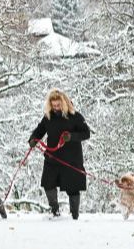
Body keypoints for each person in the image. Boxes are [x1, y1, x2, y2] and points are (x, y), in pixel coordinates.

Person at [28, 89, 91, 220]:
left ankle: (75, 215)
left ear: (64, 103)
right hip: (52, 158)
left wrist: (71, 136)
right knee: (48, 184)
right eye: (53, 105)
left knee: (73, 187)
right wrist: (33, 139)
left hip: (71, 159)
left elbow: (86, 133)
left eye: (58, 105)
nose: (56, 108)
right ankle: (55, 211)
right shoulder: (48, 117)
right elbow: (39, 131)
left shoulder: (75, 116)